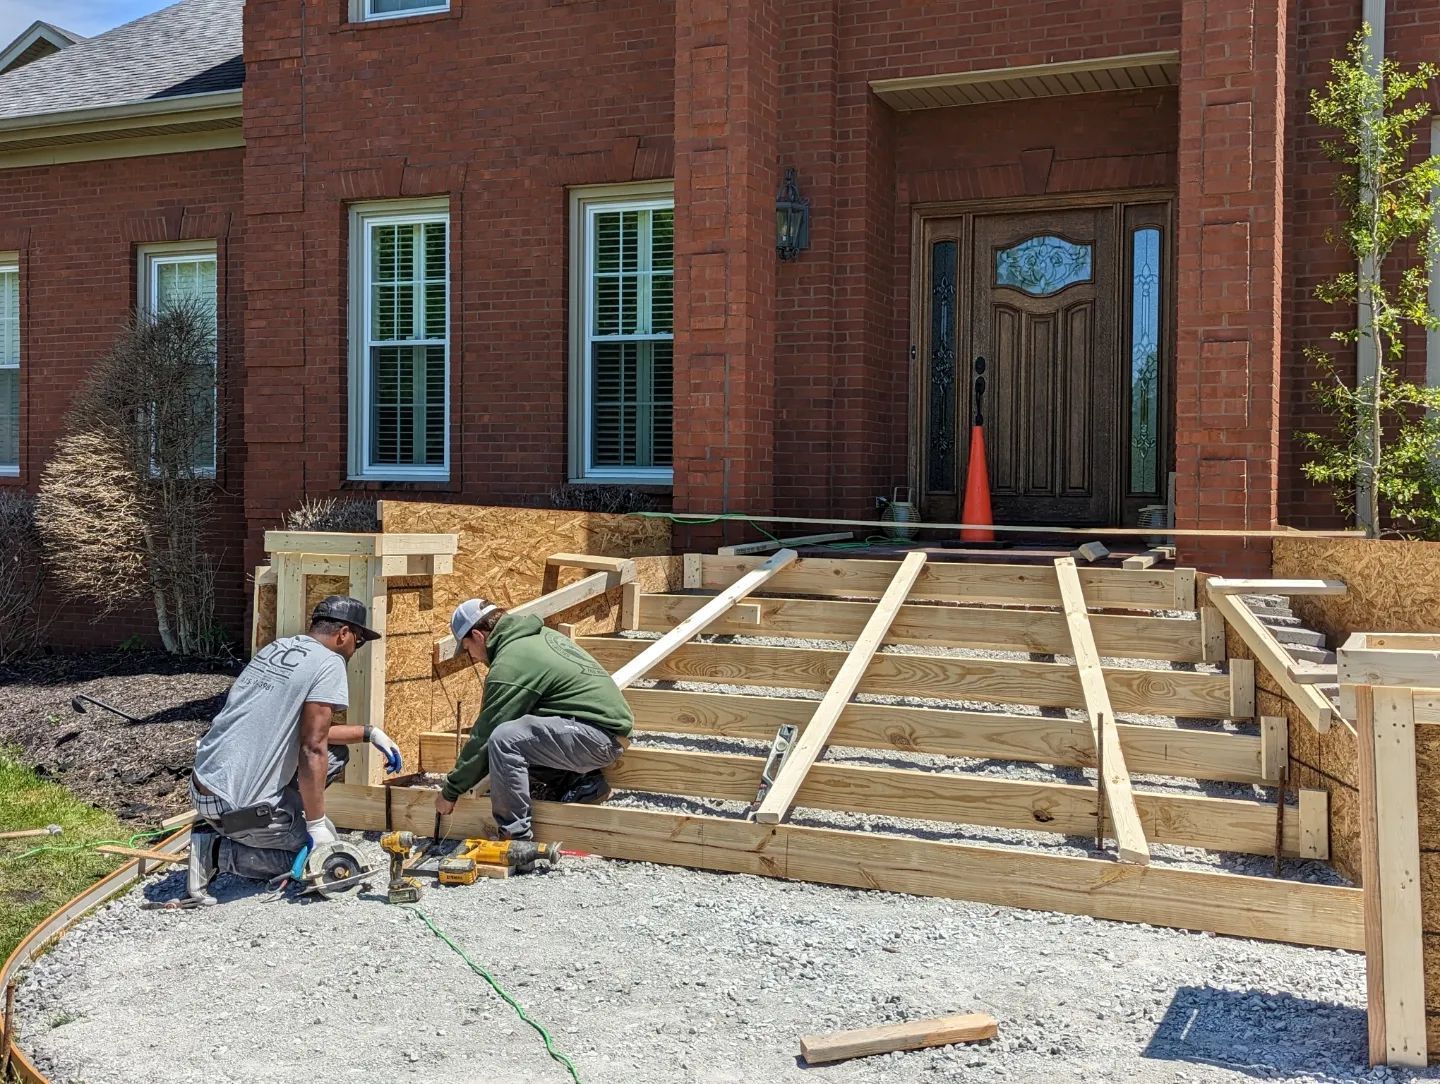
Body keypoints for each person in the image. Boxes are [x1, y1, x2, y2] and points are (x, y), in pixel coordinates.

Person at [186, 596, 404, 903]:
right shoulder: (330, 662)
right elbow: (312, 747)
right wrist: (315, 828)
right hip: (234, 808)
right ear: (343, 634)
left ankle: (257, 823)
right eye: (358, 641)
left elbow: (308, 734)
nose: (356, 649)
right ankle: (218, 852)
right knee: (324, 862)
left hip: (205, 787)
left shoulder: (279, 648)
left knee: (337, 755)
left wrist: (370, 733)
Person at [434, 597, 632, 845]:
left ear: (478, 635)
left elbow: (485, 738)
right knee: (521, 731)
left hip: (597, 737)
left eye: (467, 648)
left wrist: (450, 791)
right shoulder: (537, 637)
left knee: (505, 740)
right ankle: (582, 783)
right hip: (597, 732)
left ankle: (515, 838)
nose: (471, 656)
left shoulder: (510, 663)